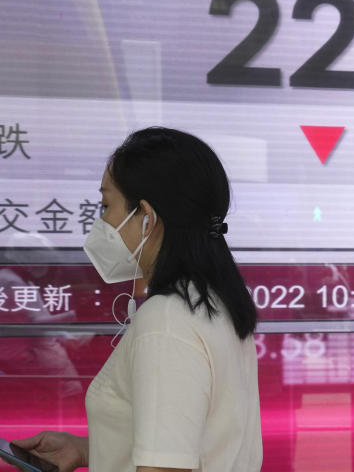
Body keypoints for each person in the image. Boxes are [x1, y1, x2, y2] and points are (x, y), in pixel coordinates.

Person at [14, 127, 263, 472]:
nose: (101, 221)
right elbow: (194, 438)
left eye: (106, 205)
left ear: (146, 217)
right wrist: (91, 450)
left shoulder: (166, 321)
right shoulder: (213, 302)